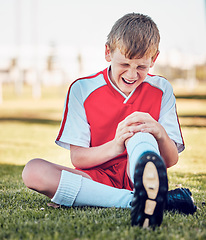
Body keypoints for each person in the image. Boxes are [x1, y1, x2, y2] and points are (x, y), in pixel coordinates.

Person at [22, 13, 196, 228]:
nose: (132, 74)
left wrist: (159, 132)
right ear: (108, 52)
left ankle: (143, 190)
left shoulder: (162, 89)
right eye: (124, 63)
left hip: (140, 173)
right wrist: (116, 145)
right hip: (97, 181)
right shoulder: (82, 89)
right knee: (33, 171)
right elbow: (78, 159)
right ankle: (144, 201)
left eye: (141, 67)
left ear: (154, 59)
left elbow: (169, 160)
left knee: (140, 130)